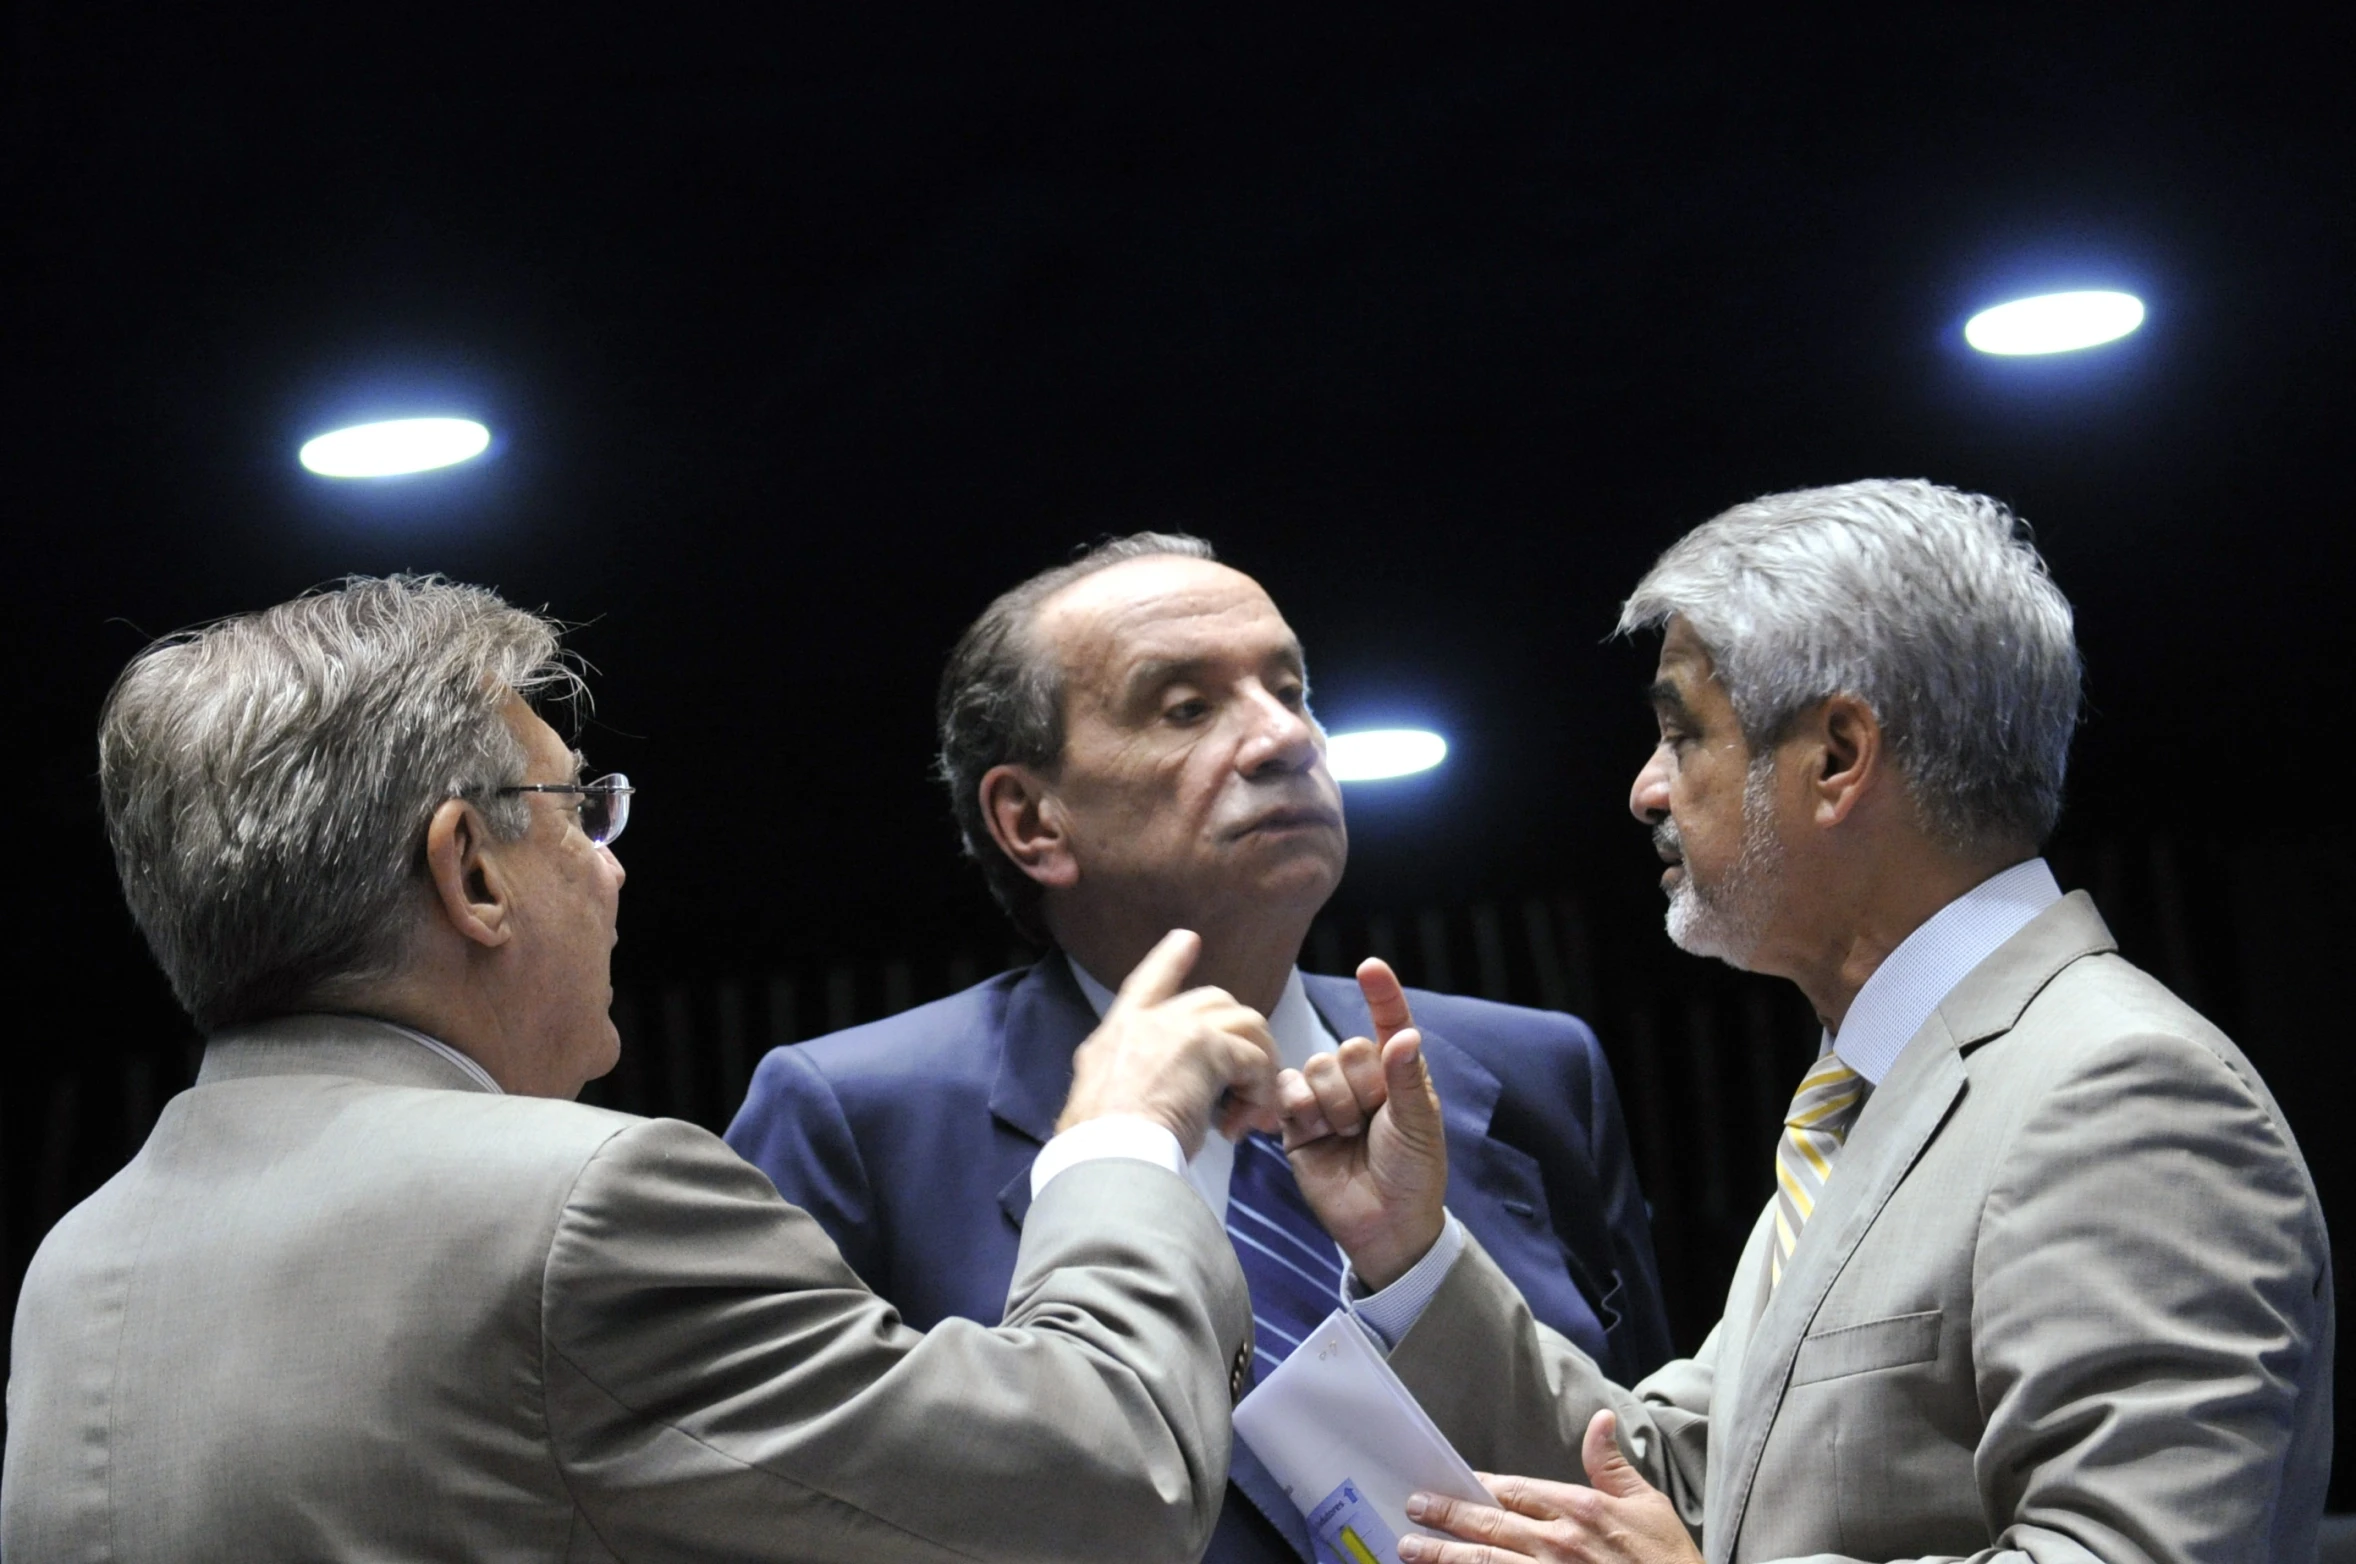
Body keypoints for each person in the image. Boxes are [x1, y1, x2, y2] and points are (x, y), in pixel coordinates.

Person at [3, 574, 1285, 1564]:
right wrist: (1120, 1134)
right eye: (581, 808)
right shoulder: (580, 1202)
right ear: (472, 870)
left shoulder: (78, 1262)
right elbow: (1101, 1489)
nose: (612, 866)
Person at [1277, 480, 2334, 1564]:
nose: (1646, 789)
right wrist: (1406, 1250)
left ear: (1835, 757)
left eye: (1681, 733)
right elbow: (1670, 1487)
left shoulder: (2124, 1090)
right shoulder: (1875, 1090)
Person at [725, 533, 1672, 1564]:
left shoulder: (1533, 1071)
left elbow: (1657, 1483)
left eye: (1291, 688)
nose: (1283, 738)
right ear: (1032, 820)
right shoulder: (857, 1117)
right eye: (1187, 708)